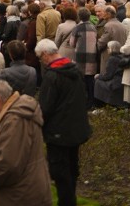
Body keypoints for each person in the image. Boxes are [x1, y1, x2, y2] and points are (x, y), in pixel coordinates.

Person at [0, 79, 51, 206]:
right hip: (25, 190)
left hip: (20, 195)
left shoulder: (15, 120)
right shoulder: (14, 115)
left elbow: (8, 166)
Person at [35, 38, 91, 206]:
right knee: (72, 169)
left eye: (40, 57)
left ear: (45, 55)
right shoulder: (74, 70)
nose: (41, 61)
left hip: (58, 131)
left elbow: (45, 107)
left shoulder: (53, 75)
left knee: (60, 173)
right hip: (76, 128)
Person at [92, 41, 126, 108]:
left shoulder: (112, 59)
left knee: (97, 82)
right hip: (121, 81)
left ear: (112, 49)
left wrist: (98, 76)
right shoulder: (122, 57)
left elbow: (108, 76)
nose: (107, 49)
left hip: (115, 83)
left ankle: (99, 106)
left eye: (108, 48)